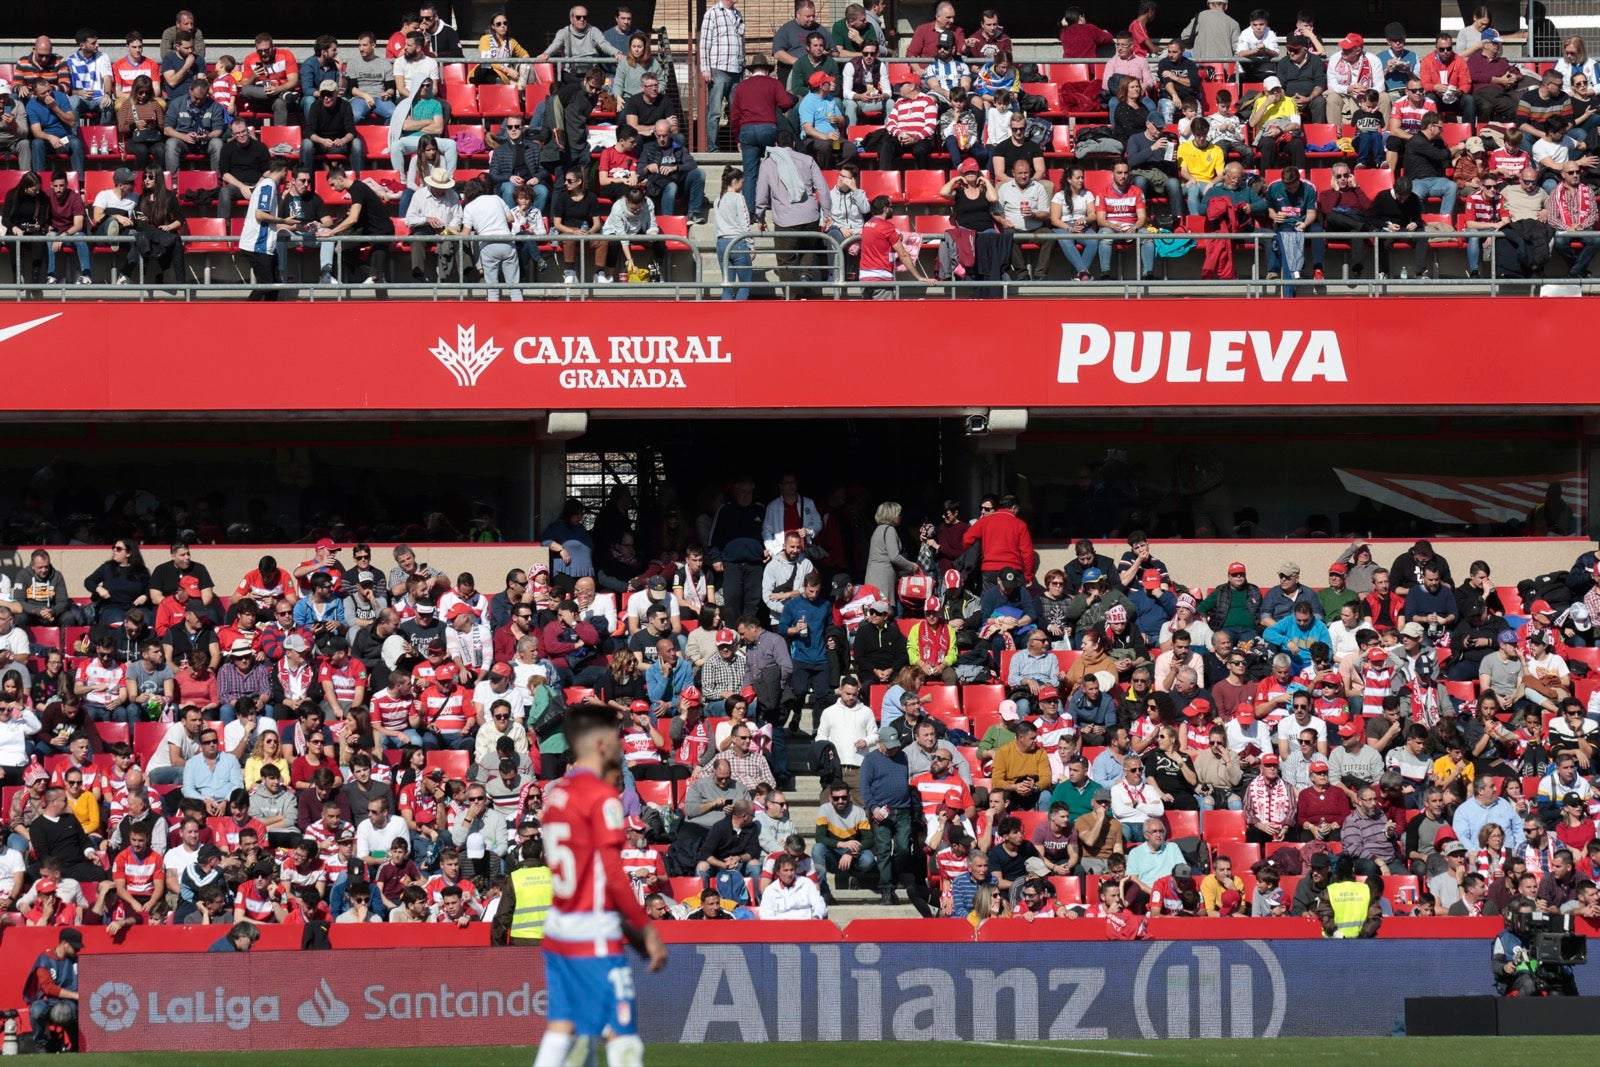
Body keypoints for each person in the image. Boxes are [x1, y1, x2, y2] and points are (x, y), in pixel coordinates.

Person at [532, 706, 665, 1067]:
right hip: (593, 932)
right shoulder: (602, 796)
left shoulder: (556, 794)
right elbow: (612, 873)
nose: (623, 744)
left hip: (559, 926)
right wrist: (645, 929)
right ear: (603, 742)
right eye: (618, 736)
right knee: (623, 1033)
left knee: (562, 1028)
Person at [23, 927, 80, 1048]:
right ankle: (41, 1045)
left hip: (69, 1002)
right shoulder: (45, 958)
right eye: (75, 946)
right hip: (46, 1000)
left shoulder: (77, 960)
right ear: (64, 943)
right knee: (36, 1011)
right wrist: (76, 995)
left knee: (68, 1011)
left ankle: (77, 1044)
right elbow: (48, 988)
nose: (78, 949)